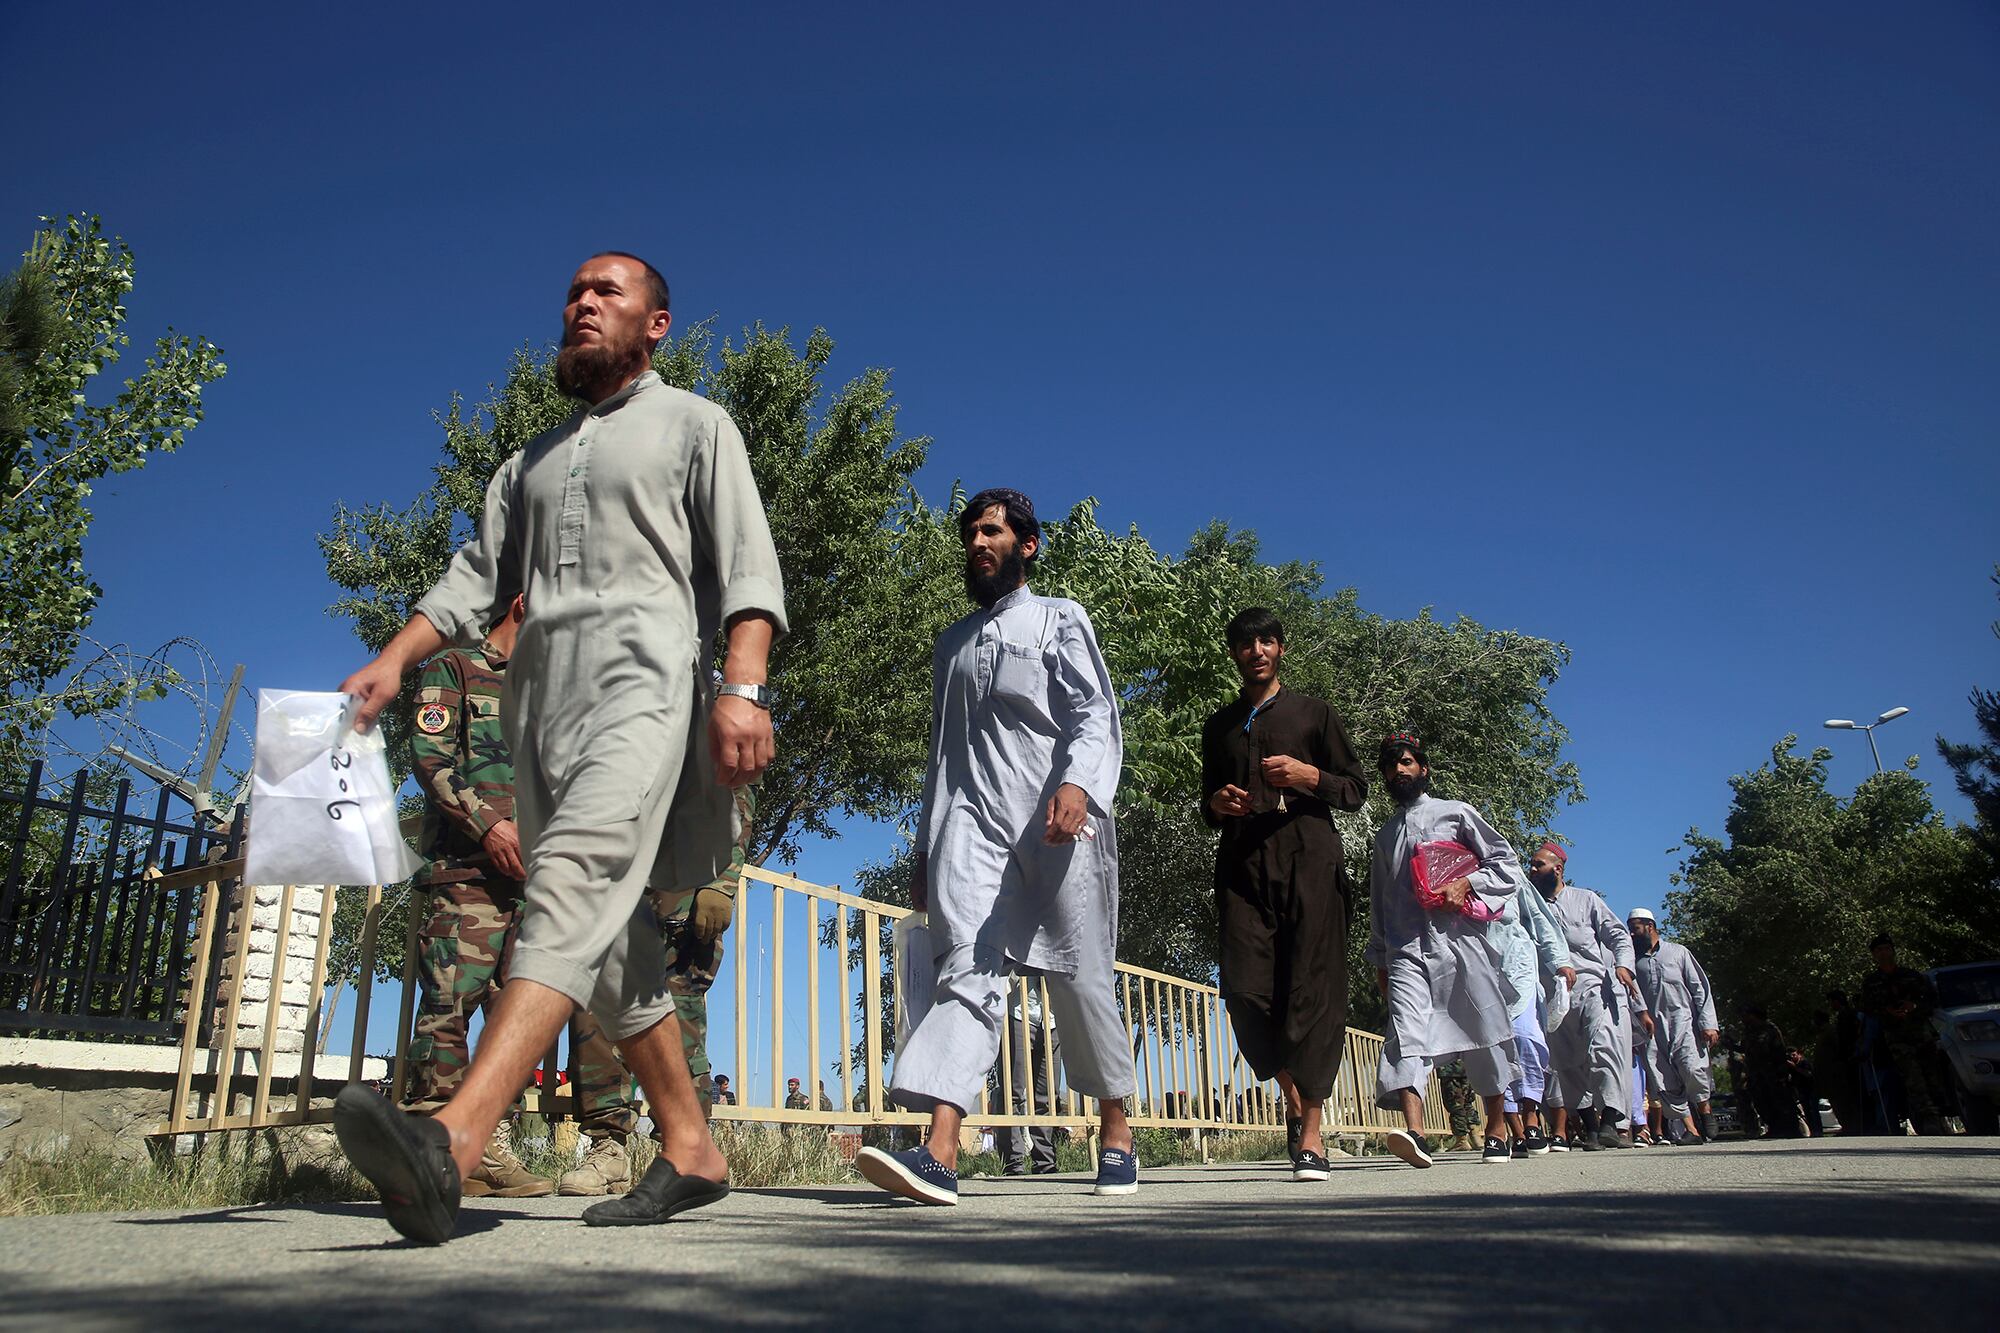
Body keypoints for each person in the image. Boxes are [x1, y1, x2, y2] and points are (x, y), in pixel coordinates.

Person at [330, 252, 786, 1244]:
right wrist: (395, 659)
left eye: (605, 292)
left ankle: (450, 1141)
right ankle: (690, 1144)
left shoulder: (695, 425)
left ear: (655, 323)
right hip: (541, 710)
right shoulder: (526, 464)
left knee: (574, 878)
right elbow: (471, 582)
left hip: (644, 684)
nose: (580, 304)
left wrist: (741, 690)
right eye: (573, 294)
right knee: (610, 939)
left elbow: (747, 564)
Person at [854, 488, 1137, 1205]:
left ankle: (1116, 1128)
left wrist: (1080, 787)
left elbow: (1093, 714)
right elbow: (940, 756)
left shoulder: (1058, 619)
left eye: (992, 531)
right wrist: (925, 849)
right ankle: (939, 1152)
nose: (978, 543)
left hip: (1056, 824)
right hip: (971, 827)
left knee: (1078, 977)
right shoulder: (952, 646)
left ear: (1028, 544)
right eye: (971, 534)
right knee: (967, 972)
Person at [1199, 606, 1368, 1182]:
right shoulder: (1218, 725)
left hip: (1309, 860)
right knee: (1244, 991)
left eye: (1267, 642)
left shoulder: (1315, 714)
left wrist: (1307, 777)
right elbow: (1206, 803)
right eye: (1246, 644)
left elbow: (1354, 789)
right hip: (1243, 866)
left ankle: (1312, 1129)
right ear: (1235, 654)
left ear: (1280, 650)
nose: (1257, 652)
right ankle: (1294, 1097)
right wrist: (1217, 805)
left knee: (1311, 988)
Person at [399, 593, 550, 1198]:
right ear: (522, 602)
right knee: (448, 1007)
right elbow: (429, 757)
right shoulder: (456, 667)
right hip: (466, 873)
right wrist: (488, 824)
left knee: (512, 1021)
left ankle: (488, 1147)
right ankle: (423, 1149)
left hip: (533, 884)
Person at [1366, 732, 1523, 1168]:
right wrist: (1379, 957)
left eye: (1406, 762)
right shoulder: (1384, 837)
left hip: (1461, 942)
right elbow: (1380, 901)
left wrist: (1467, 882)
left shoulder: (1456, 814)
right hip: (1405, 949)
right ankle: (1414, 1132)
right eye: (1390, 765)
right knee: (1405, 1030)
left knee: (1483, 1025)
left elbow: (1505, 863)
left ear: (1423, 768)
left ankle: (1495, 1127)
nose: (1398, 770)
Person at [1526, 843, 1652, 1150]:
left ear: (1557, 868)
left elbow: (1618, 934)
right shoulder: (1528, 908)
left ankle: (1611, 1119)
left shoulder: (1585, 900)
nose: (1531, 869)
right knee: (1567, 1062)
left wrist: (1623, 965)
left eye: (1538, 864)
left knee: (1603, 1047)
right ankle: (1592, 1129)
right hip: (1554, 996)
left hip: (1595, 988)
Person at [1482, 867, 1574, 1158]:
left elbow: (1538, 917)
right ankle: (1515, 1129)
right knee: (1495, 1049)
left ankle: (1531, 1114)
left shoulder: (1508, 870)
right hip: (1480, 967)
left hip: (1518, 964)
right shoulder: (1454, 866)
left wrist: (1560, 960)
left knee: (1527, 1038)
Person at [1627, 907, 1720, 1144]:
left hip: (1684, 1023)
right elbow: (1632, 995)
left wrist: (1708, 1023)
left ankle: (1705, 1110)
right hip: (1652, 1031)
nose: (1632, 935)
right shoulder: (1633, 964)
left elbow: (1700, 988)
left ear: (1650, 926)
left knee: (1692, 1068)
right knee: (1662, 1079)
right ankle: (1692, 1130)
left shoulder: (1678, 953)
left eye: (1635, 929)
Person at [1857, 932, 1950, 1134]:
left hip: (1921, 1033)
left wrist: (1914, 1006)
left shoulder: (1913, 976)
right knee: (1912, 1076)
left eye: (1886, 949)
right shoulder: (1871, 982)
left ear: (1893, 951)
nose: (1883, 953)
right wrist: (1887, 1011)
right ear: (1873, 955)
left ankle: (1941, 1115)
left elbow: (1933, 1001)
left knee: (1933, 1075)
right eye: (1879, 950)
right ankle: (1929, 1118)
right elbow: (1866, 1007)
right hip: (1896, 1036)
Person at [998, 981, 1059, 1177]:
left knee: (1048, 1093)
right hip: (1018, 1009)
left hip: (1052, 1017)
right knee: (1012, 1091)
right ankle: (1012, 1163)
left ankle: (1045, 1161)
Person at [1814, 993, 1861, 1134]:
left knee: (1841, 1100)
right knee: (1836, 1101)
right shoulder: (1825, 1032)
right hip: (1828, 1072)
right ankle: (1847, 1125)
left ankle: (1851, 1126)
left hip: (1836, 1071)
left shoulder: (1831, 1030)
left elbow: (1840, 1047)